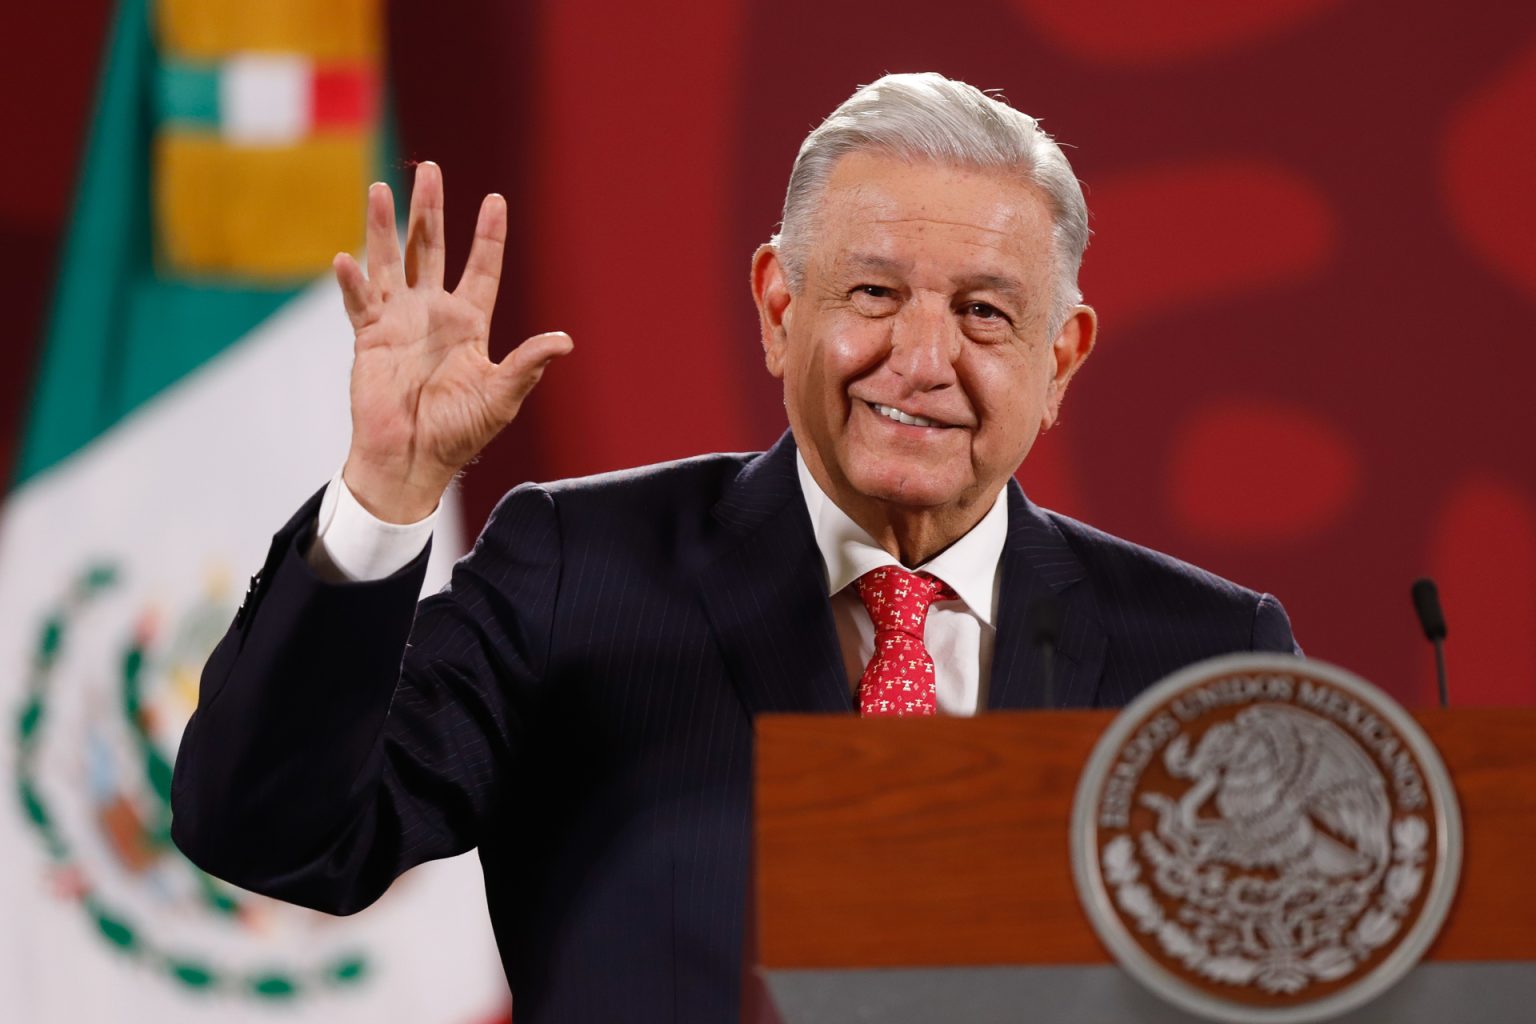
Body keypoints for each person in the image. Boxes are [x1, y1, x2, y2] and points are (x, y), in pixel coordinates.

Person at [171, 73, 1298, 1022]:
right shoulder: (577, 570)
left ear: (1063, 358)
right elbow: (276, 835)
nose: (921, 356)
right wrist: (386, 489)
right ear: (776, 305)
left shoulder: (1201, 653)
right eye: (874, 291)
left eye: (986, 315)